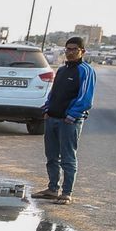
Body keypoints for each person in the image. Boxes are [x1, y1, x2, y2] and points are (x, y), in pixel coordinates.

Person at [35, 36, 95, 204]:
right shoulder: (62, 70)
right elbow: (54, 93)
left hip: (69, 122)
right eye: (67, 49)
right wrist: (47, 109)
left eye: (74, 49)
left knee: (68, 158)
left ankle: (67, 192)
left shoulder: (85, 70)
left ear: (82, 51)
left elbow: (86, 98)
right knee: (52, 156)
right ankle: (52, 188)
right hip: (52, 118)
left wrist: (72, 115)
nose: (69, 52)